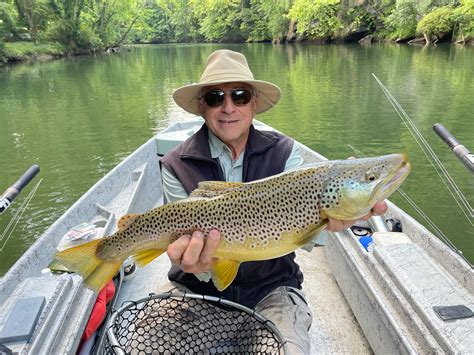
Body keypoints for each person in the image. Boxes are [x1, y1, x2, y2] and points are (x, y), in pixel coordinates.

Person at [160, 49, 387, 354]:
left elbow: (306, 236)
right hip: (194, 290)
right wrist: (198, 264)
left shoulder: (285, 154)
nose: (228, 107)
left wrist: (334, 222)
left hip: (272, 290)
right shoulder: (175, 164)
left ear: (254, 103)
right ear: (202, 106)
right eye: (216, 97)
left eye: (239, 96)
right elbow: (186, 252)